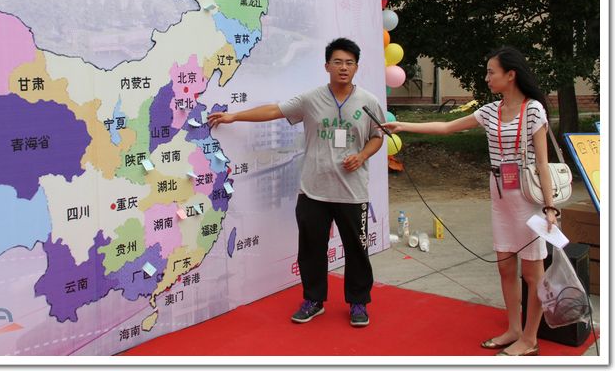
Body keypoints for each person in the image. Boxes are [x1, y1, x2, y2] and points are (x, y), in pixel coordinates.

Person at [384, 46, 558, 356]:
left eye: (492, 72)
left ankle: (530, 338)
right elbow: (447, 127)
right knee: (506, 268)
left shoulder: (533, 110)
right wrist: (403, 126)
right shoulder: (489, 111)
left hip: (527, 198)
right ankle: (514, 329)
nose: (487, 78)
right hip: (500, 194)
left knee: (533, 275)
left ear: (510, 75)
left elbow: (543, 164)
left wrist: (550, 207)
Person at [208, 37, 385, 327]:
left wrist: (362, 155)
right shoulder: (311, 99)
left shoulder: (368, 102)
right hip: (313, 190)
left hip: (352, 192)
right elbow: (274, 110)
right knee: (311, 250)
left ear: (356, 67)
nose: (343, 68)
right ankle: (313, 300)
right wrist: (234, 116)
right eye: (338, 62)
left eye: (349, 63)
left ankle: (358, 303)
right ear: (327, 66)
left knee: (356, 250)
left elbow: (378, 137)